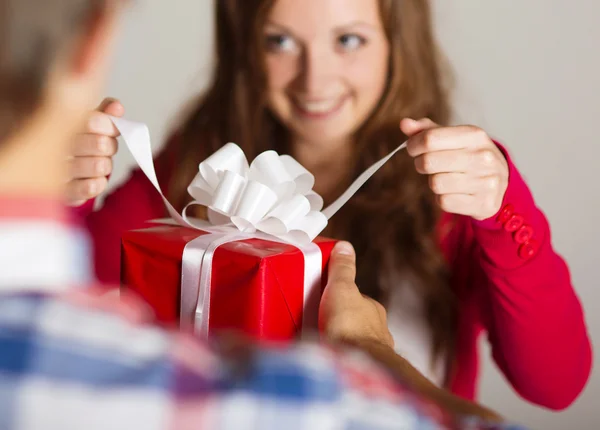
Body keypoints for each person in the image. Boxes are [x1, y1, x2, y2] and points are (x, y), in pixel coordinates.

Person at [0, 2, 528, 428]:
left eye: (349, 39)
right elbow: (66, 311)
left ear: (398, 42)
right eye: (279, 41)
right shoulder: (195, 164)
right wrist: (55, 189)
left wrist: (502, 208)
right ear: (244, 49)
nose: (314, 77)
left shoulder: (457, 185)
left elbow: (554, 383)